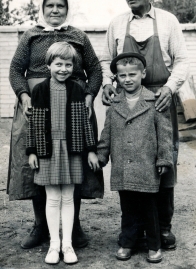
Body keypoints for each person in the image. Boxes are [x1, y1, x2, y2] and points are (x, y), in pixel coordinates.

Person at [7, 0, 102, 250]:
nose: (55, 10)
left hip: (74, 103)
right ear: (43, 8)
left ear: (67, 9)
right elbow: (16, 69)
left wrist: (90, 95)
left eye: (60, 5)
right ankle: (41, 226)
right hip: (36, 104)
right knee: (39, 160)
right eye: (50, 5)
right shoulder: (31, 35)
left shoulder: (78, 36)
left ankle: (74, 226)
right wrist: (24, 96)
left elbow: (95, 69)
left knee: (74, 160)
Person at [100, 0, 189, 253]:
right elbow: (107, 59)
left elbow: (182, 61)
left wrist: (169, 89)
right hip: (126, 100)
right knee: (129, 159)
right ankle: (134, 229)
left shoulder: (168, 21)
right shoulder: (117, 23)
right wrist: (108, 83)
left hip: (159, 98)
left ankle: (162, 227)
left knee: (163, 160)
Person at [89, 52, 174, 263]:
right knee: (127, 209)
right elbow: (106, 135)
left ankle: (154, 246)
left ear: (143, 74)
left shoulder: (155, 102)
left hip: (147, 167)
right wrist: (101, 157)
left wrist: (163, 159)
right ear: (116, 78)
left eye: (132, 75)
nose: (127, 79)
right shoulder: (115, 104)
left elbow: (165, 135)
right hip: (123, 169)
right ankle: (127, 242)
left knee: (149, 209)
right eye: (122, 76)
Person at [26, 41, 99, 265]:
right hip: (48, 150)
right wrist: (32, 151)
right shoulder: (39, 90)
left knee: (69, 198)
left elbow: (85, 124)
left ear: (73, 66)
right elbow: (34, 124)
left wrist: (91, 150)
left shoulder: (78, 90)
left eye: (68, 65)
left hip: (72, 150)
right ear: (48, 65)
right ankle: (53, 245)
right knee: (52, 198)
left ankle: (67, 245)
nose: (63, 69)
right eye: (58, 64)